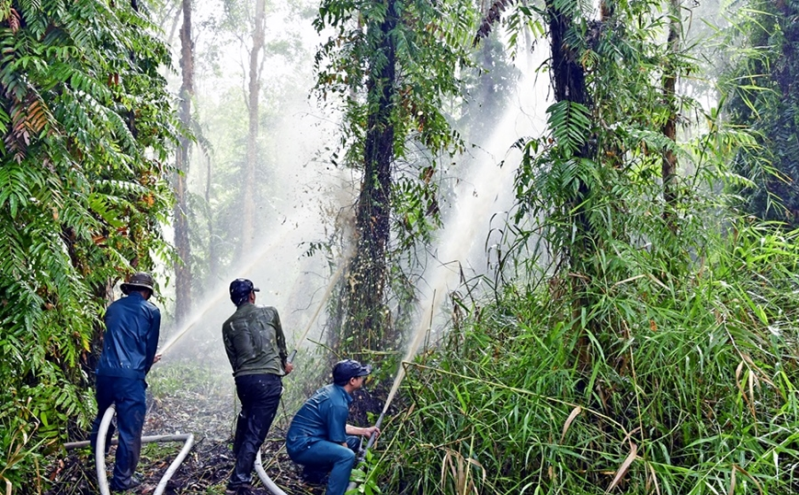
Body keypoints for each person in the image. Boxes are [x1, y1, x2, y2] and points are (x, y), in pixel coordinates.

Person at [89, 271, 161, 492]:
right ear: (147, 292)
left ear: (128, 289)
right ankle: (122, 480)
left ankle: (95, 465)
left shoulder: (113, 308)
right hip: (130, 378)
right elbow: (148, 349)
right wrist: (145, 367)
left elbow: (115, 338)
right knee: (130, 430)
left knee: (103, 420)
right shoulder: (152, 311)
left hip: (105, 374)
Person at [222, 278, 294, 495]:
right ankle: (238, 480)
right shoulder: (270, 313)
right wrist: (284, 364)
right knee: (256, 433)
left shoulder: (228, 324)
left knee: (247, 414)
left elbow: (233, 359)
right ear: (252, 295)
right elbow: (280, 344)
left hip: (244, 380)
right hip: (268, 379)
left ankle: (238, 454)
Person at [286, 359, 381, 495]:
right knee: (346, 456)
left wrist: (364, 431)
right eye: (360, 376)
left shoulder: (332, 391)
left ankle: (313, 475)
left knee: (353, 441)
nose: (363, 379)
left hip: (309, 439)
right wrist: (353, 472)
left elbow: (338, 426)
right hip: (301, 446)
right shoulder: (337, 403)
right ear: (352, 381)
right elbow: (339, 442)